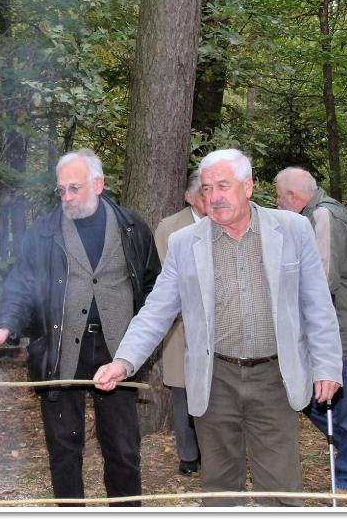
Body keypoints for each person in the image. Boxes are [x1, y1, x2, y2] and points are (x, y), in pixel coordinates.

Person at [94, 148, 343, 507]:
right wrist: (123, 362)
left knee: (281, 488)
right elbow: (156, 310)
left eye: (223, 186)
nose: (214, 197)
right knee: (220, 490)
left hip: (276, 376)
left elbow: (317, 304)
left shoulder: (293, 230)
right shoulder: (184, 244)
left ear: (248, 187)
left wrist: (327, 366)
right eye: (207, 188)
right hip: (215, 379)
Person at [0, 148, 161, 507]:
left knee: (123, 449)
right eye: (61, 190)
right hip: (60, 351)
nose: (67, 198)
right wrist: (4, 328)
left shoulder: (133, 228)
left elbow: (155, 289)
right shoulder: (43, 234)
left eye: (74, 189)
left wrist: (141, 345)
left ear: (99, 184)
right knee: (64, 449)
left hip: (117, 351)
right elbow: (21, 287)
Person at [275, 166, 347, 494]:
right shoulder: (313, 215)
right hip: (329, 331)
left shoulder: (323, 217)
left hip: (345, 333)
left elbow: (321, 280)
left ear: (294, 197)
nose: (278, 205)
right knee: (305, 399)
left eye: (279, 199)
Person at [155, 171, 206, 476]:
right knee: (183, 394)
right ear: (188, 197)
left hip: (221, 329)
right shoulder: (170, 228)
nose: (208, 197)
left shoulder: (223, 222)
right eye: (202, 191)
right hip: (181, 325)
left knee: (215, 392)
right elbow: (165, 280)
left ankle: (214, 452)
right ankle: (188, 455)